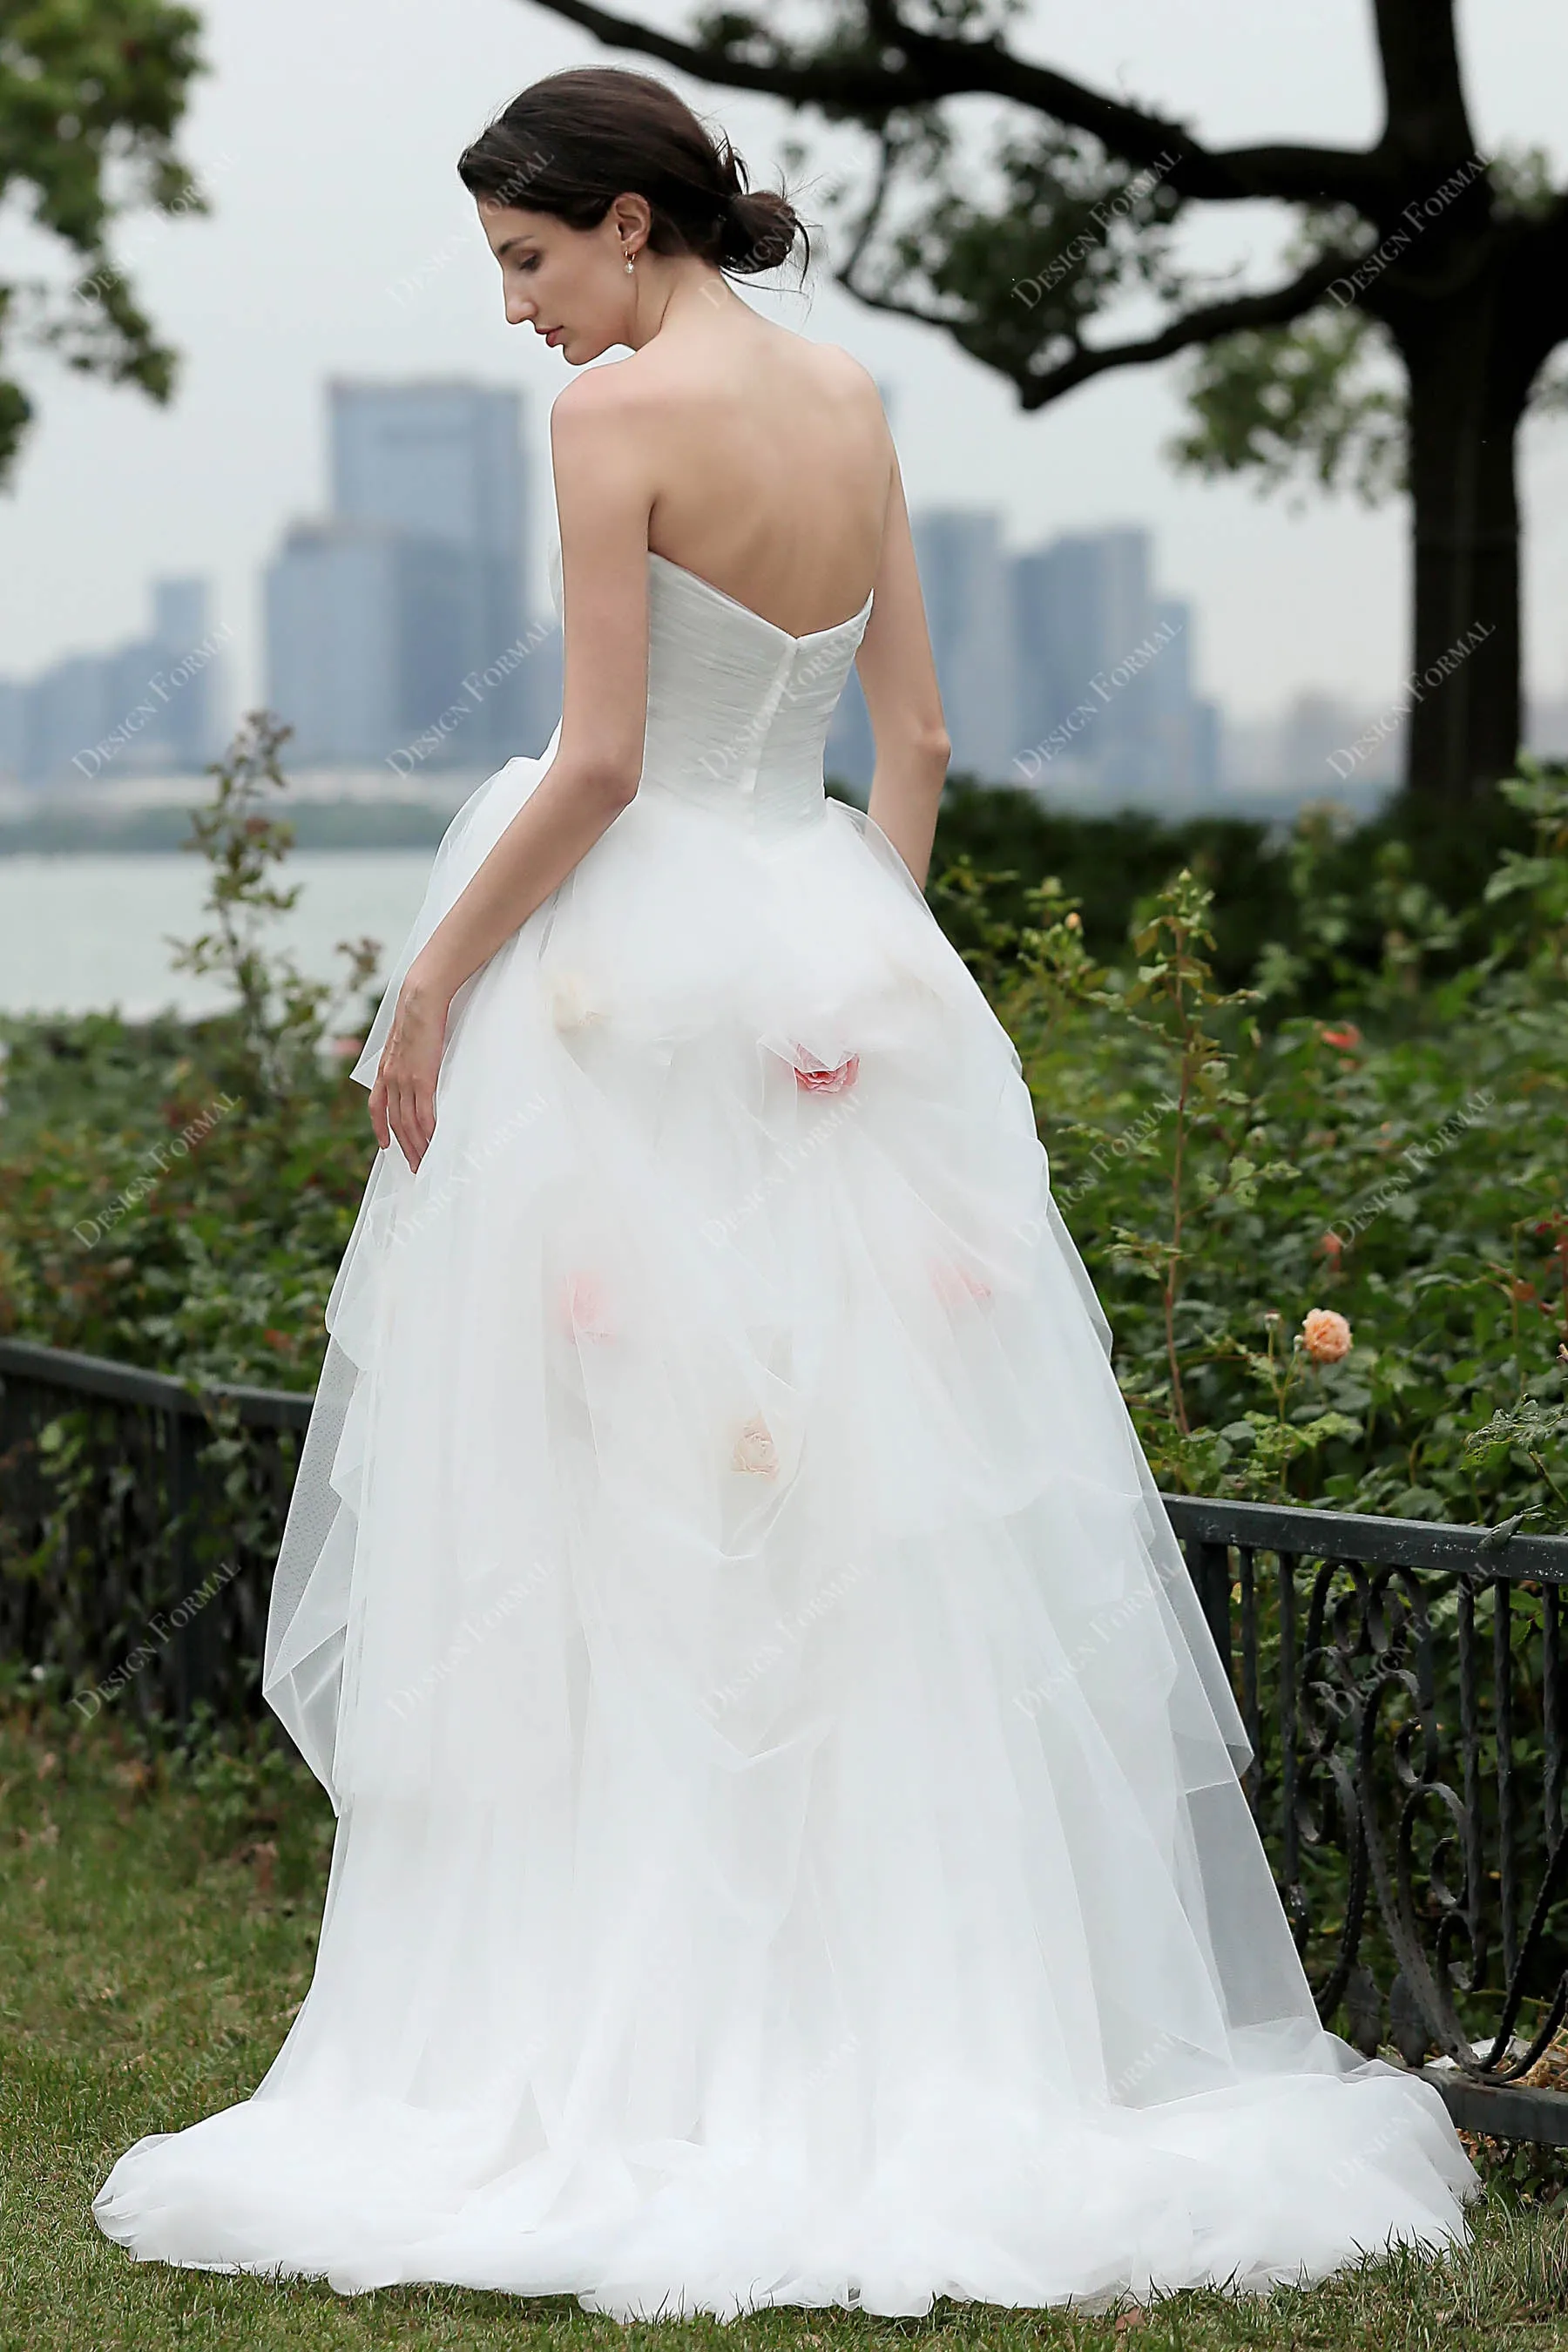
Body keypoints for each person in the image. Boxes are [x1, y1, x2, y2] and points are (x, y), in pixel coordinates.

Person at [94, 64, 1482, 2322]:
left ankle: (625, 2045)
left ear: (632, 228)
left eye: (531, 266)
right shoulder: (847, 400)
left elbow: (607, 758)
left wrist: (428, 981)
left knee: (615, 1532)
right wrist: (857, 966)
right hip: (831, 974)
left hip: (629, 997)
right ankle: (908, 2027)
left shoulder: (615, 422)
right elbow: (910, 746)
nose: (526, 318)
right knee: (855, 1537)